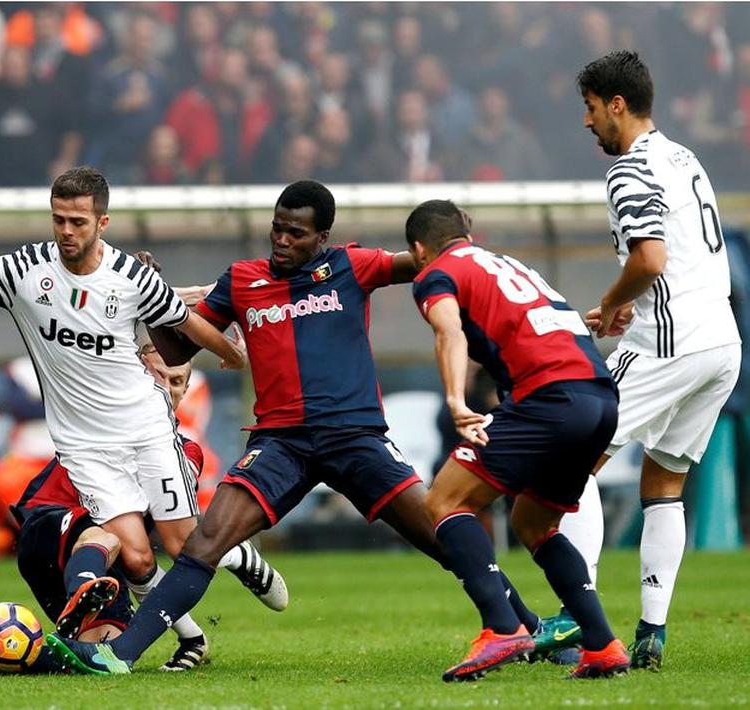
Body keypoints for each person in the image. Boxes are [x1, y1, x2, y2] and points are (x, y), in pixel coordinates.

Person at [43, 180, 539, 675]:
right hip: (282, 443)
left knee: (444, 536)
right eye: (277, 229)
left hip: (355, 439)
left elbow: (426, 260)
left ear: (322, 236)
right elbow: (175, 351)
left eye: (296, 234)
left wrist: (458, 244)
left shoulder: (352, 265)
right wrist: (146, 297)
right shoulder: (242, 279)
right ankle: (118, 655)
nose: (282, 240)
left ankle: (530, 630)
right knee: (205, 541)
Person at [0, 166, 283, 670]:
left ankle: (237, 556)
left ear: (103, 221)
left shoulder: (130, 277)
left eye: (78, 221)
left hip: (145, 428)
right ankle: (192, 640)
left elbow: (184, 320)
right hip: (84, 447)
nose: (66, 231)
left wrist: (233, 356)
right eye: (59, 220)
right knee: (138, 558)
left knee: (183, 542)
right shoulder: (26, 269)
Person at [536, 50, 742, 672]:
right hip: (722, 343)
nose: (587, 122)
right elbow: (673, 256)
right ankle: (652, 631)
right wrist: (629, 304)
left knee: (571, 466)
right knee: (664, 483)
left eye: (591, 108)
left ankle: (580, 617)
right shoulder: (685, 157)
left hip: (668, 344)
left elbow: (650, 259)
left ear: (616, 105)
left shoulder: (628, 170)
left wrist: (611, 300)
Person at [0, 350, 269, 676]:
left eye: (176, 381)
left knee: (93, 653)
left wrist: (190, 635)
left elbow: (142, 564)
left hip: (110, 558)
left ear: (186, 389)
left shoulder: (186, 452)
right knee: (110, 533)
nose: (165, 388)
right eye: (156, 377)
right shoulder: (100, 419)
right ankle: (85, 588)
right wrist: (234, 555)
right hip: (52, 521)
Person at [404, 199, 629, 681]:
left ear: (419, 249)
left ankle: (502, 627)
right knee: (533, 522)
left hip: (548, 398)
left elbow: (449, 333)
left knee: (443, 501)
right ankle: (602, 644)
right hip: (599, 398)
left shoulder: (437, 273)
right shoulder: (509, 263)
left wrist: (455, 400)